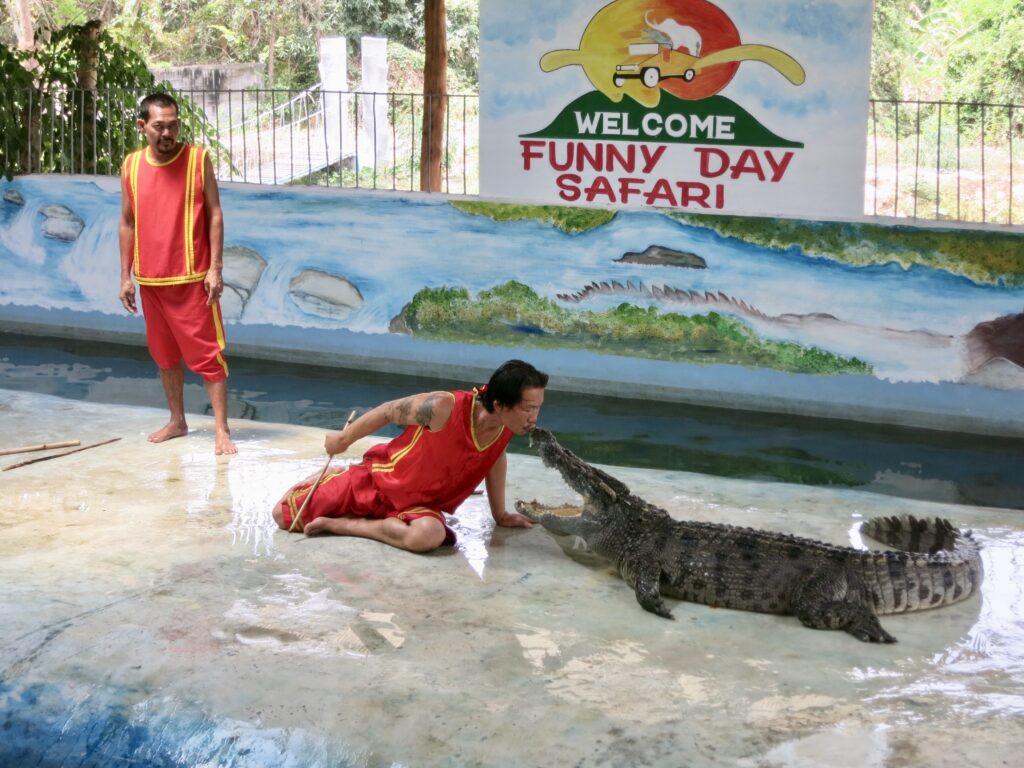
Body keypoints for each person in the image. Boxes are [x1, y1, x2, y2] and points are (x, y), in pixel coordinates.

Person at [272, 360, 549, 553]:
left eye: (537, 408)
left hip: (418, 507)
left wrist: (499, 514)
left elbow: (495, 458)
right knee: (284, 518)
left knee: (429, 535)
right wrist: (342, 440)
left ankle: (342, 524)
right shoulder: (444, 407)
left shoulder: (505, 427)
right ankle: (341, 479)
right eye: (527, 409)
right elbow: (388, 410)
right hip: (379, 481)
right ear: (499, 404)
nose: (533, 418)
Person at [118, 92, 237, 455]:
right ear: (143, 127)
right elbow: (127, 222)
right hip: (151, 281)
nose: (167, 132)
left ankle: (221, 429)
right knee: (164, 356)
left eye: (173, 125)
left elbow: (214, 213)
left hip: (193, 280)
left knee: (207, 356)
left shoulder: (198, 159)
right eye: (159, 126)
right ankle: (177, 420)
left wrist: (215, 268)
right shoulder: (131, 165)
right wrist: (125, 276)